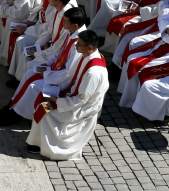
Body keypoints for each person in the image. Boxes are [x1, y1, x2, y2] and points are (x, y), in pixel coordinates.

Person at [26, 30, 108, 160]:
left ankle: (46, 145)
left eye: (79, 45)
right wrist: (57, 89)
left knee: (46, 111)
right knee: (42, 100)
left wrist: (57, 100)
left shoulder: (94, 72)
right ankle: (37, 140)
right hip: (74, 97)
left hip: (83, 108)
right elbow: (73, 77)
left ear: (90, 47)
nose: (76, 47)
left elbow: (82, 99)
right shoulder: (87, 57)